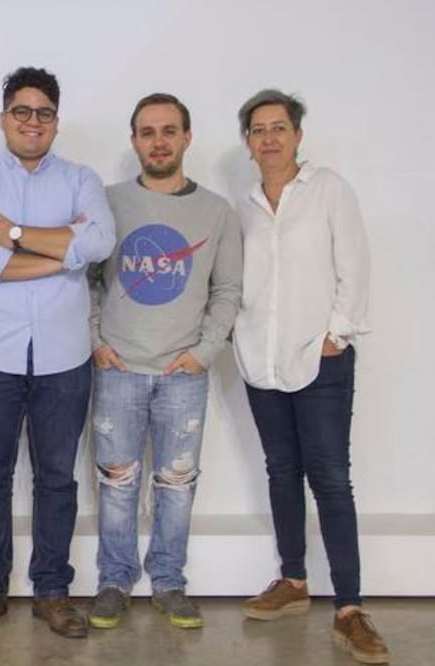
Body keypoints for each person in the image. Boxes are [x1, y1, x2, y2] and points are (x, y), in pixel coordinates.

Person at [0, 66, 116, 638]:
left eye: (44, 113)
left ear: (56, 122)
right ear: (4, 118)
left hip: (64, 356)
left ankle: (52, 591)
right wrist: (59, 253)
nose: (33, 122)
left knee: (57, 478)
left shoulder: (80, 178)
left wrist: (16, 234)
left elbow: (98, 242)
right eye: (22, 111)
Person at [233, 89, 389, 665]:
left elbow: (355, 266)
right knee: (281, 470)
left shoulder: (328, 191)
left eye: (279, 127)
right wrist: (239, 339)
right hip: (260, 360)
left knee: (329, 477)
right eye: (257, 129)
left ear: (298, 135)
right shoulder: (245, 204)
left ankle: (349, 608)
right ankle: (293, 581)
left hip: (319, 358)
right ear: (247, 143)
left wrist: (336, 335)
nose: (269, 138)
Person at [87, 93, 242, 631]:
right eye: (148, 132)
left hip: (183, 374)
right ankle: (113, 581)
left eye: (169, 131)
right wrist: (94, 340)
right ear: (134, 141)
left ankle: (170, 582)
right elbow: (84, 279)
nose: (158, 141)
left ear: (186, 137)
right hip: (118, 368)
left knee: (177, 483)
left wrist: (203, 353)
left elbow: (227, 290)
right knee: (117, 481)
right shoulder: (106, 202)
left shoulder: (217, 212)